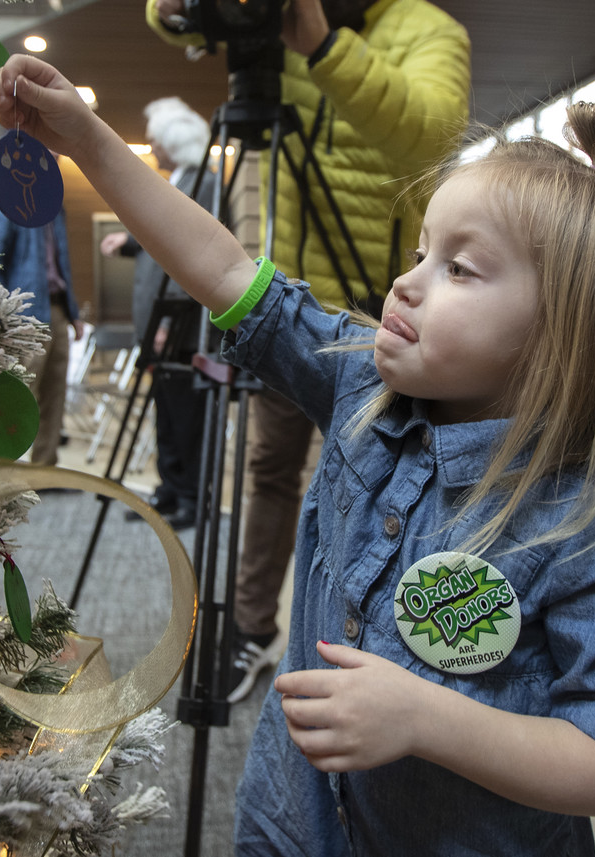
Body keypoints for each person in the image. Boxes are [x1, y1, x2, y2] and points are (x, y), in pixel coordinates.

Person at [0, 53, 595, 854]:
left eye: (457, 268)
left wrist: (425, 718)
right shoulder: (361, 384)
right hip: (289, 821)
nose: (405, 285)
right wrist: (87, 139)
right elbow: (228, 266)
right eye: (418, 254)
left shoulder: (591, 528)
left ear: (565, 337)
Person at [148, 0, 471, 701]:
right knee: (268, 470)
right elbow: (197, 17)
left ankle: (374, 646)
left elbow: (429, 135)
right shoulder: (279, 26)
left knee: (379, 484)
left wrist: (325, 50)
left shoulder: (429, 30)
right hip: (290, 309)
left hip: (381, 316)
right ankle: (254, 626)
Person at [101, 96, 218, 530]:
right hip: (164, 325)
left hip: (182, 327)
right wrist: (129, 243)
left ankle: (190, 497)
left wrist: (169, 322)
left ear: (175, 141)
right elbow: (161, 239)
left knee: (186, 416)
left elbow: (191, 254)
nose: (151, 147)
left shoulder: (202, 183)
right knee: (166, 412)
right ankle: (170, 490)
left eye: (156, 141)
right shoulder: (181, 179)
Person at [0, 197, 86, 467]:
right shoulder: (7, 200)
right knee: (17, 394)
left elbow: (61, 261)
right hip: (22, 312)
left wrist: (73, 312)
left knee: (55, 394)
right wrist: (0, 314)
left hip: (57, 308)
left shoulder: (56, 205)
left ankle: (44, 470)